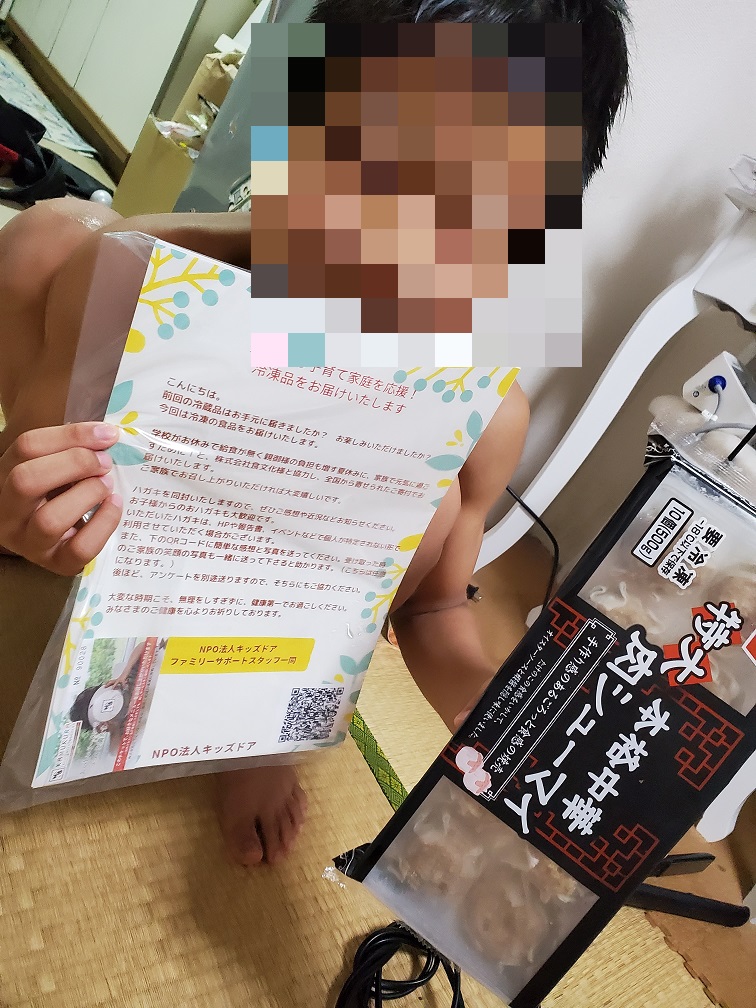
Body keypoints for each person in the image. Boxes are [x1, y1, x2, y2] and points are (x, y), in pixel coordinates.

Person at [0, 0, 630, 866]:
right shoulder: (133, 275)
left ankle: (257, 736)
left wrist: (484, 706)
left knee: (438, 500)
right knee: (43, 242)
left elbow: (437, 607)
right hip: (115, 549)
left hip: (263, 625)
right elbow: (39, 445)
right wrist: (21, 505)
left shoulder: (475, 413)